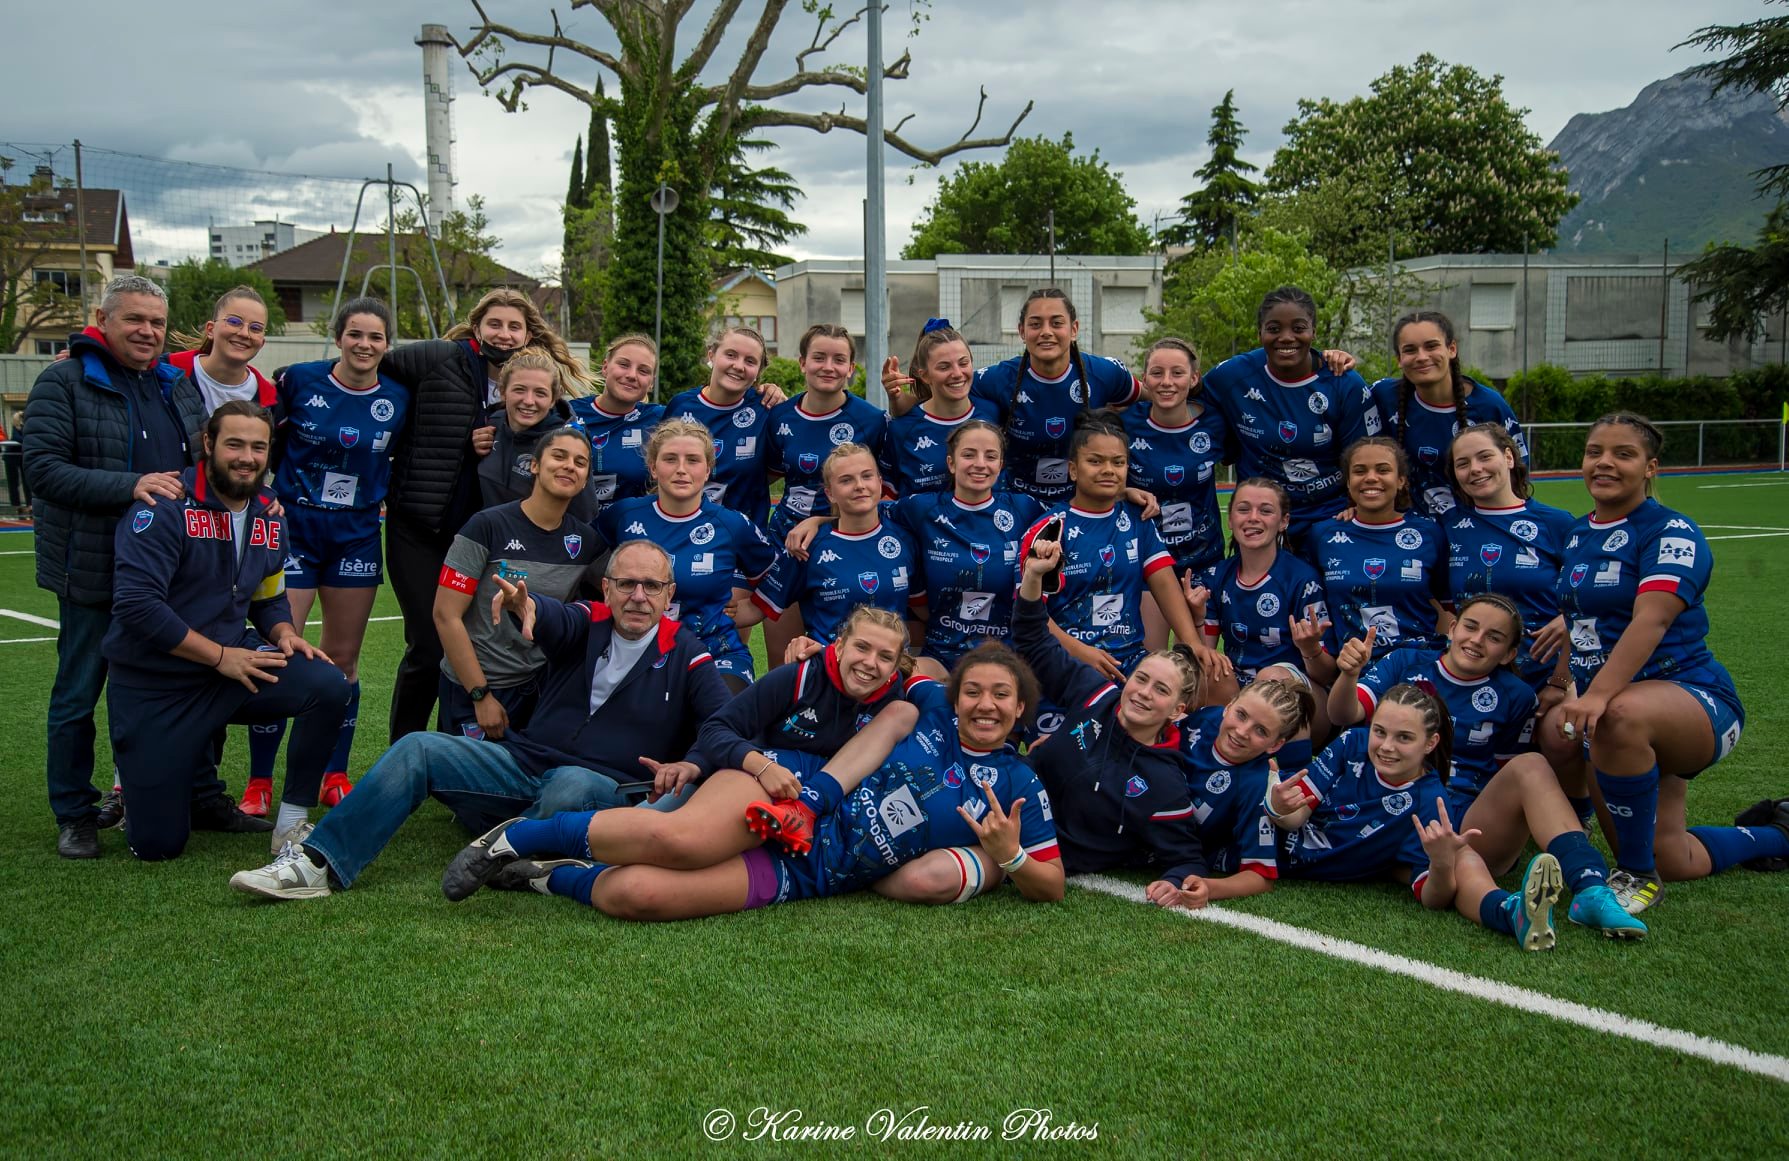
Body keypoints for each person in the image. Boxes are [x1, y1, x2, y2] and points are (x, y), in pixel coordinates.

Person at [227, 540, 730, 899]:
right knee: (419, 747)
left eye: (650, 586)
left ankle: (506, 854)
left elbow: (721, 725)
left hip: (604, 787)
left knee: (572, 785)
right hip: (524, 762)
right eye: (626, 584)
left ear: (669, 595)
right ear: (606, 587)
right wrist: (524, 605)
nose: (637, 596)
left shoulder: (687, 654)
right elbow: (553, 616)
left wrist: (692, 763)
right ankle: (318, 864)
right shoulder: (588, 620)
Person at [439, 642, 1063, 918]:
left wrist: (1005, 858)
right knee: (681, 840)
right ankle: (520, 838)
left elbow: (1051, 883)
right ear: (954, 698)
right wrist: (812, 798)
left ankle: (549, 879)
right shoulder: (924, 707)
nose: (984, 704)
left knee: (640, 897)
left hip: (812, 871)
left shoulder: (1018, 784)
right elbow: (909, 673)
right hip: (789, 788)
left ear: (1019, 711)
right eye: (973, 691)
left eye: (1001, 696)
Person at [1550, 413, 1787, 914]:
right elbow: (1582, 621)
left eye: (1623, 454)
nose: (1605, 463)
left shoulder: (1671, 530)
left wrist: (1595, 696)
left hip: (1691, 700)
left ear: (1651, 467)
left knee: (1619, 716)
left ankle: (1635, 877)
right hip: (1617, 717)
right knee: (1674, 857)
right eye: (1595, 452)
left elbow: (1650, 622)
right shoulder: (1576, 534)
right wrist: (1565, 675)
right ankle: (1777, 832)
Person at [104, 401, 349, 860]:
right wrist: (220, 656)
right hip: (158, 682)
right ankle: (155, 771)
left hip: (227, 670)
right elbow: (137, 606)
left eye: (259, 447)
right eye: (234, 444)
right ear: (209, 445)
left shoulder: (270, 514)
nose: (247, 457)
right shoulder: (166, 506)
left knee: (328, 684)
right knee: (158, 845)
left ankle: (292, 825)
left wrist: (281, 632)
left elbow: (268, 595)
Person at [23, 273, 213, 858]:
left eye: (156, 322)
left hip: (169, 570)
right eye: (134, 319)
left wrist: (259, 494)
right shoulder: (63, 381)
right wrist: (131, 485)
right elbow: (43, 471)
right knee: (79, 693)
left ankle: (195, 794)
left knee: (184, 686)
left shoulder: (173, 384)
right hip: (93, 568)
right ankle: (75, 812)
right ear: (102, 321)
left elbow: (204, 463)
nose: (147, 331)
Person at [380, 288, 594, 743]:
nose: (504, 332)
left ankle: (519, 743)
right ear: (476, 327)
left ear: (529, 334)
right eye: (494, 323)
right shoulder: (447, 364)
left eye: (514, 325)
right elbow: (370, 364)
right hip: (427, 529)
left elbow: (581, 511)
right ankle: (405, 749)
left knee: (510, 643)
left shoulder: (557, 435)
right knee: (430, 645)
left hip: (502, 551)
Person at [242, 298, 409, 815]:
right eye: (355, 334)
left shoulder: (400, 397)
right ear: (338, 337)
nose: (364, 345)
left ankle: (332, 773)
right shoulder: (298, 381)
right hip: (294, 527)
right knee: (279, 653)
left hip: (357, 532)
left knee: (343, 660)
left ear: (386, 345)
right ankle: (259, 780)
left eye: (375, 337)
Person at [1011, 538, 1211, 908]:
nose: (1143, 693)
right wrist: (1034, 578)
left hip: (1040, 855)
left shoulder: (1164, 783)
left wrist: (1176, 882)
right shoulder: (1097, 694)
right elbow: (1034, 642)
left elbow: (1186, 857)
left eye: (1161, 690)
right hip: (1005, 798)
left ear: (1177, 711)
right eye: (1141, 678)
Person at [435, 426, 605, 740]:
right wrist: (480, 695)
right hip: (477, 687)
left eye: (580, 463)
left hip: (539, 687)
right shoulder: (486, 525)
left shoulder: (586, 542)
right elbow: (446, 615)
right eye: (559, 456)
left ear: (584, 480)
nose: (570, 465)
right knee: (468, 786)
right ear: (535, 465)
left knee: (527, 781)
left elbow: (617, 589)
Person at [1016, 416, 1205, 682]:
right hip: (1067, 662)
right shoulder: (1049, 529)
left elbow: (1164, 583)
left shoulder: (1138, 521)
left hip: (1131, 659)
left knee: (1215, 680)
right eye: (1095, 461)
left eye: (1118, 462)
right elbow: (1031, 615)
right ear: (1073, 469)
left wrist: (1191, 642)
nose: (1108, 469)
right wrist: (1082, 652)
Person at [596, 418, 777, 691]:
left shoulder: (731, 524)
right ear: (653, 468)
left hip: (715, 652)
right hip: (635, 651)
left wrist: (753, 609)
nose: (681, 469)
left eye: (693, 460)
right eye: (670, 459)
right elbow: (583, 557)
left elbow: (778, 571)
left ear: (707, 470)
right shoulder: (624, 515)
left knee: (722, 724)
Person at [1200, 286, 1378, 556]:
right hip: (1262, 520)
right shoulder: (1232, 376)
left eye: (1298, 328)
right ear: (1259, 333)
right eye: (1274, 329)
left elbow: (1369, 454)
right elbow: (1181, 393)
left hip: (1331, 519)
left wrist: (1359, 504)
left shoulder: (1344, 383)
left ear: (1314, 332)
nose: (1286, 337)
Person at [1188, 478, 1329, 758]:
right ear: (1230, 519)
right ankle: (1204, 773)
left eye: (1265, 511)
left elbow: (1328, 675)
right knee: (1206, 672)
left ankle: (1294, 786)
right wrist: (1196, 618)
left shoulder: (1302, 579)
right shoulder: (1217, 577)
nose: (1253, 518)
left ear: (1284, 521)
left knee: (1272, 679)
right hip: (1242, 694)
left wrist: (1311, 649)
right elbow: (1203, 656)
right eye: (1243, 509)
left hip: (1306, 701)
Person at [892, 421, 1043, 679]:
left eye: (991, 456)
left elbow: (1077, 514)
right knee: (905, 683)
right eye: (969, 454)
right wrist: (818, 522)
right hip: (940, 654)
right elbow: (865, 515)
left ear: (1001, 465)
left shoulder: (1024, 508)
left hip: (1005, 656)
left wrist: (1126, 494)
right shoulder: (923, 509)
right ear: (951, 463)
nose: (980, 464)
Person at [1441, 423, 1574, 696]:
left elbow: (1589, 598)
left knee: (1560, 738)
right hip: (1471, 676)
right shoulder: (1448, 527)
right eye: (1462, 463)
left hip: (1545, 675)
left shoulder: (1556, 523)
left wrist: (1567, 620)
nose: (1475, 468)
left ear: (1509, 458)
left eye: (1485, 456)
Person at [749, 444, 923, 649]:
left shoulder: (904, 537)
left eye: (867, 476)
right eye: (846, 480)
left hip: (888, 666)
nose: (859, 485)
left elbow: (923, 608)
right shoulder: (808, 545)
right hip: (828, 664)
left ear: (880, 481)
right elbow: (757, 607)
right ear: (830, 493)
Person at [1304, 437, 1448, 684]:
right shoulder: (1323, 535)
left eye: (1383, 470)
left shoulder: (1429, 534)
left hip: (1419, 667)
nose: (1371, 478)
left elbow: (1447, 605)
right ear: (1348, 482)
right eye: (1360, 471)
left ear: (1401, 480)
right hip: (1353, 673)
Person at [1370, 311, 1526, 519]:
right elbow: (1342, 398)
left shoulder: (1489, 406)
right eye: (1410, 350)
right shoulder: (1383, 395)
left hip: (1475, 529)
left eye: (1431, 346)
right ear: (1399, 359)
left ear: (1452, 349)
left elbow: (1518, 473)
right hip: (1413, 534)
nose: (1422, 357)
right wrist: (1333, 359)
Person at [1173, 679, 1312, 904]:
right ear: (1229, 706)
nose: (1242, 731)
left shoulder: (1256, 785)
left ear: (1275, 745)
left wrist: (1209, 887)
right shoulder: (1204, 719)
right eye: (1241, 715)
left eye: (1261, 730)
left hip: (1180, 851)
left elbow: (1260, 876)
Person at [763, 324, 889, 541]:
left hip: (844, 537)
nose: (828, 367)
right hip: (785, 535)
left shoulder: (872, 420)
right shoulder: (779, 415)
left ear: (850, 368)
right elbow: (762, 476)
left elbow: (885, 487)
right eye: (819, 358)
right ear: (803, 363)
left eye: (839, 360)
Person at [662, 326, 784, 528]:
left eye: (750, 361)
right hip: (684, 531)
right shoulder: (680, 406)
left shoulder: (767, 408)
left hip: (745, 539)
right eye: (731, 355)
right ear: (711, 354)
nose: (739, 366)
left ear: (759, 372)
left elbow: (776, 470)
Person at [878, 319, 1005, 496]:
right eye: (944, 367)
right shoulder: (902, 429)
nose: (957, 374)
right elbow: (886, 497)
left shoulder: (993, 413)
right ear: (925, 375)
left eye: (963, 363)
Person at [473, 347, 593, 519]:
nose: (529, 401)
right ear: (503, 392)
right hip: (488, 538)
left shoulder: (568, 441)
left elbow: (584, 515)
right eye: (519, 390)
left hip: (539, 544)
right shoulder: (491, 425)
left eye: (540, 393)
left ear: (553, 400)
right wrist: (471, 451)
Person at [566, 334, 663, 516]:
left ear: (651, 383)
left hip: (631, 533)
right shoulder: (569, 413)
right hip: (575, 532)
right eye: (624, 365)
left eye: (643, 371)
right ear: (605, 367)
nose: (632, 375)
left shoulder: (660, 419)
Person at [166, 285, 280, 418]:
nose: (244, 333)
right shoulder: (166, 371)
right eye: (234, 321)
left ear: (262, 342)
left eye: (255, 328)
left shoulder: (271, 400)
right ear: (210, 330)